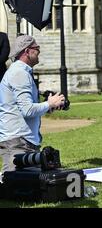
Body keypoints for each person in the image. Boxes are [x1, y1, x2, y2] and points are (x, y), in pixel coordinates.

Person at [0, 35, 65, 174]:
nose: (39, 51)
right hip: (18, 141)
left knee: (29, 187)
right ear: (27, 51)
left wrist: (49, 106)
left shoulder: (22, 72)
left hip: (24, 140)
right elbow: (27, 110)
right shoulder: (19, 73)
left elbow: (24, 108)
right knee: (12, 185)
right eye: (37, 48)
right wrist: (49, 103)